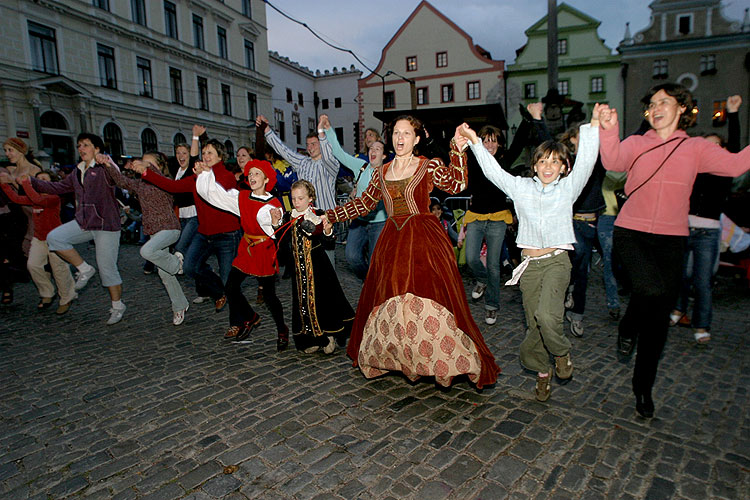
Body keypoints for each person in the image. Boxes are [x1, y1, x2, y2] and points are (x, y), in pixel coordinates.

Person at [598, 83, 750, 418]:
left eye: (663, 102)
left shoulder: (695, 148)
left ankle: (643, 388)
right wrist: (609, 131)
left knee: (658, 324)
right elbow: (612, 161)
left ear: (682, 108)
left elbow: (737, 165)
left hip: (671, 239)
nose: (655, 108)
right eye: (651, 103)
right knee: (648, 289)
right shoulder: (637, 143)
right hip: (631, 232)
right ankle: (627, 325)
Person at [324, 115, 500, 389]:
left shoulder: (427, 167)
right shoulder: (381, 172)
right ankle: (403, 359)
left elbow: (457, 184)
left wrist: (457, 149)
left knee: (427, 298)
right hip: (391, 243)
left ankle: (444, 362)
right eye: (396, 132)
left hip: (423, 242)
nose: (400, 138)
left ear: (417, 139)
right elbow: (364, 204)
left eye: (406, 133)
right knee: (394, 300)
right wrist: (330, 216)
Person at [457, 105, 601, 402]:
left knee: (548, 317)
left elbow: (586, 162)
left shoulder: (568, 189)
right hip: (529, 266)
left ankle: (561, 354)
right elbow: (493, 171)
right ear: (534, 165)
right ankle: (542, 373)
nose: (548, 166)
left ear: (564, 168)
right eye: (543, 161)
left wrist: (594, 126)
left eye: (555, 162)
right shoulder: (521, 188)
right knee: (534, 323)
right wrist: (473, 140)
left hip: (557, 262)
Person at [462, 103, 552, 326]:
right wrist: (428, 139)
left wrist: (528, 119)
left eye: (494, 140)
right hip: (475, 216)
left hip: (498, 218)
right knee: (472, 259)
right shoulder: (473, 159)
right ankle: (481, 281)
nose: (490, 143)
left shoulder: (504, 160)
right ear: (480, 142)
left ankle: (492, 306)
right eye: (486, 139)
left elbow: (520, 141)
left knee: (493, 265)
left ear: (499, 143)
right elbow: (447, 154)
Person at [28, 133, 126, 324]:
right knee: (55, 238)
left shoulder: (104, 168)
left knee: (107, 268)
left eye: (86, 145)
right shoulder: (77, 171)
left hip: (106, 224)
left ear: (97, 149)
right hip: (84, 222)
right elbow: (58, 187)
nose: (81, 149)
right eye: (79, 145)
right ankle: (84, 268)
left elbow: (118, 178)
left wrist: (108, 162)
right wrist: (31, 182)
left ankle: (117, 306)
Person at [668, 95, 742, 344]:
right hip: (683, 227)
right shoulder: (693, 169)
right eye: (705, 146)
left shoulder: (724, 172)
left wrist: (732, 114)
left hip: (708, 233)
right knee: (680, 275)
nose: (709, 150)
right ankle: (678, 309)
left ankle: (702, 325)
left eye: (715, 145)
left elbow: (735, 146)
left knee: (702, 282)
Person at [195, 158, 290, 349]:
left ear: (265, 179)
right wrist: (205, 174)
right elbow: (216, 195)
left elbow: (278, 231)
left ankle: (282, 329)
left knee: (270, 296)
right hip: (246, 248)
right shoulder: (242, 197)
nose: (252, 176)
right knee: (230, 287)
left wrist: (275, 222)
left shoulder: (274, 204)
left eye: (257, 173)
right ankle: (251, 316)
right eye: (250, 173)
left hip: (263, 251)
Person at [138, 139, 241, 315]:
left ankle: (241, 318)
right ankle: (217, 293)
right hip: (205, 234)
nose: (206, 156)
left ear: (220, 156)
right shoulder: (197, 176)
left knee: (229, 281)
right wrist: (147, 172)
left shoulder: (226, 175)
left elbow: (219, 192)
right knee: (189, 267)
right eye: (204, 152)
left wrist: (206, 174)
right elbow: (172, 186)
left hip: (227, 235)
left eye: (210, 153)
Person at [99, 152, 189, 325]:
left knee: (146, 250)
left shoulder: (164, 182)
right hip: (154, 232)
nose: (143, 165)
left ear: (158, 166)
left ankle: (178, 263)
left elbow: (155, 173)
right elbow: (120, 180)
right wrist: (108, 162)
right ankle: (180, 305)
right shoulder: (140, 185)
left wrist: (145, 166)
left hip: (170, 228)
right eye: (143, 161)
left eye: (148, 162)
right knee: (164, 273)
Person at [271, 180, 354, 353]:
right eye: (293, 198)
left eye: (300, 198)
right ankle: (309, 339)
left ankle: (328, 335)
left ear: (310, 199)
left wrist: (328, 230)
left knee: (322, 301)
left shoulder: (317, 214)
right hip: (299, 269)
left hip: (318, 267)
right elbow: (282, 239)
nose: (296, 202)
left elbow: (328, 241)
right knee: (303, 302)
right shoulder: (289, 216)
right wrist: (276, 223)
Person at [257, 114, 339, 266]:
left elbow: (328, 156)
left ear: (322, 144)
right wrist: (267, 130)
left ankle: (328, 289)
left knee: (327, 263)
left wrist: (322, 132)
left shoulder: (331, 164)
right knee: (306, 263)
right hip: (303, 220)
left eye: (314, 144)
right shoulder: (302, 162)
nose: (310, 147)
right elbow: (283, 150)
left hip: (324, 220)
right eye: (308, 144)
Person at [320, 116, 388, 281]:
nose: (373, 150)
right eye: (371, 148)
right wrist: (328, 130)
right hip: (358, 221)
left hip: (379, 223)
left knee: (375, 261)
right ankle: (368, 281)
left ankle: (374, 287)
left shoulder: (388, 173)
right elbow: (338, 153)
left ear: (384, 156)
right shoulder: (361, 166)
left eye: (378, 148)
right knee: (352, 257)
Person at [0, 171, 76, 314]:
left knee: (59, 270)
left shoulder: (53, 198)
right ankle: (47, 293)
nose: (40, 182)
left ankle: (66, 298)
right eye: (38, 179)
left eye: (44, 179)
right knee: (33, 265)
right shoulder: (34, 197)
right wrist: (4, 185)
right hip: (39, 238)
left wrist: (26, 183)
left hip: (55, 240)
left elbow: (38, 200)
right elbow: (16, 198)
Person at [559, 124, 607, 338]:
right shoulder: (568, 161)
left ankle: (577, 315)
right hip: (571, 222)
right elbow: (548, 146)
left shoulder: (598, 160)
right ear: (574, 139)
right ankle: (569, 290)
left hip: (591, 223)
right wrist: (537, 120)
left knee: (583, 272)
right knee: (576, 259)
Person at [3, 138, 41, 257]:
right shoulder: (10, 169)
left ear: (20, 151)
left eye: (10, 150)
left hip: (28, 216)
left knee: (31, 253)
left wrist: (12, 182)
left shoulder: (34, 170)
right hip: (12, 215)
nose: (7, 154)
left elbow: (35, 197)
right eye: (5, 150)